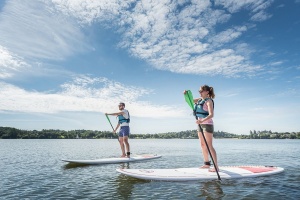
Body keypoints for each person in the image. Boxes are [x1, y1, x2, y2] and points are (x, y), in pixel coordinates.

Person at [184, 85, 219, 172]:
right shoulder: (199, 100)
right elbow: (190, 100)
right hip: (200, 125)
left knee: (209, 146)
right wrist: (186, 94)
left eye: (201, 91)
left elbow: (211, 114)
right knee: (203, 145)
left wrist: (202, 120)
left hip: (207, 124)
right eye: (199, 91)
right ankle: (207, 164)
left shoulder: (209, 101)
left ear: (207, 92)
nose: (199, 92)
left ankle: (216, 167)